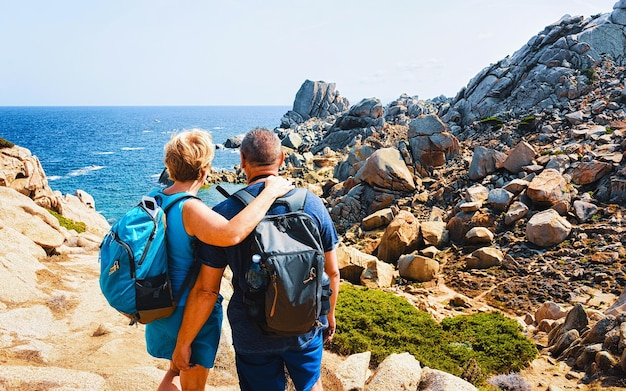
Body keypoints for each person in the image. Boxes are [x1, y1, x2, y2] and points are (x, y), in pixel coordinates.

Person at [172, 128, 340, 391]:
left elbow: (207, 289)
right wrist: (329, 314)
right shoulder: (312, 205)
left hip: (252, 332)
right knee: (311, 383)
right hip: (304, 325)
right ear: (282, 158)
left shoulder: (224, 214)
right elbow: (332, 272)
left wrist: (184, 342)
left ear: (242, 161)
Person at [145, 129, 294, 391]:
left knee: (174, 370)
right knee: (191, 384)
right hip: (190, 312)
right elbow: (232, 233)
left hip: (160, 304)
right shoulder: (192, 209)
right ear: (205, 171)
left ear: (169, 167)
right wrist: (269, 193)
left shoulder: (156, 201)